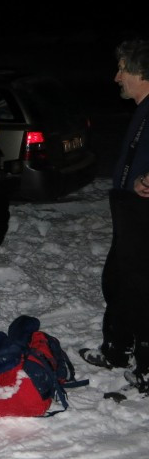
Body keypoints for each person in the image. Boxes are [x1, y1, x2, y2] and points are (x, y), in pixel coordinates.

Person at [80, 38, 149, 393]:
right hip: (128, 209)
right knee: (118, 281)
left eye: (123, 68)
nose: (117, 76)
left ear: (142, 71)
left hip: (142, 212)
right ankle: (118, 349)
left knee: (140, 287)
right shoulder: (143, 108)